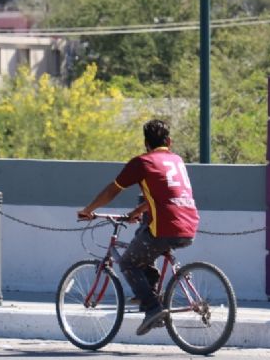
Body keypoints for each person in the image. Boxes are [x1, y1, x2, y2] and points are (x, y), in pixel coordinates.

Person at [77, 119, 199, 336]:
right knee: (143, 238)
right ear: (169, 141)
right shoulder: (177, 160)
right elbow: (165, 195)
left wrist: (89, 209)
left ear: (146, 144)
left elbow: (113, 190)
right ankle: (150, 290)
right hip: (189, 224)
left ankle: (152, 308)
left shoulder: (143, 162)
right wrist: (138, 212)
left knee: (127, 262)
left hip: (165, 227)